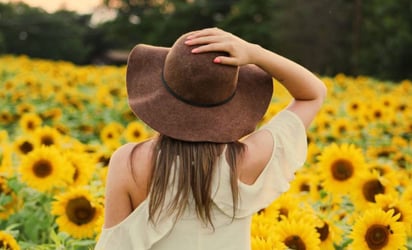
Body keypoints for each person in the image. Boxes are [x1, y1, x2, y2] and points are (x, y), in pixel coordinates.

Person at [95, 27, 326, 250]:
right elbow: (313, 94)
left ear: (160, 95)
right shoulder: (251, 159)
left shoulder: (129, 162)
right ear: (230, 102)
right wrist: (255, 53)